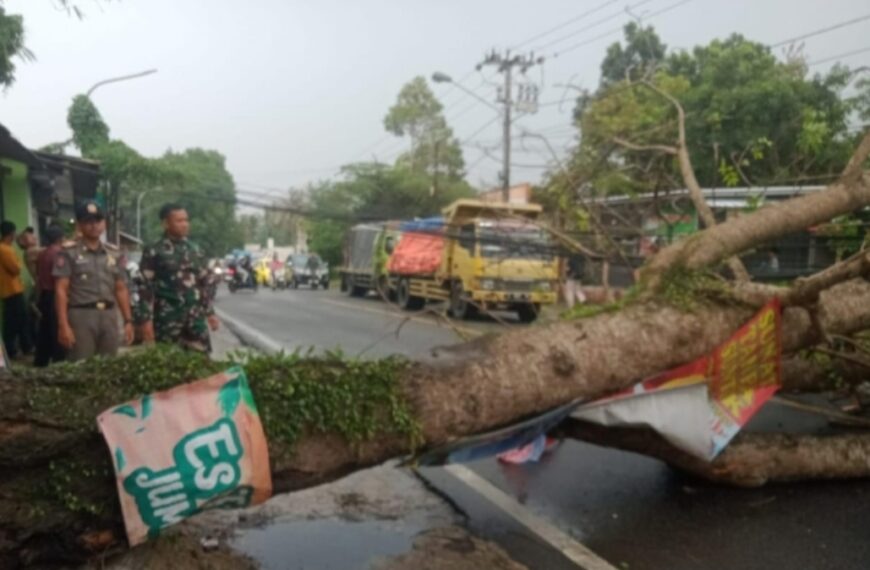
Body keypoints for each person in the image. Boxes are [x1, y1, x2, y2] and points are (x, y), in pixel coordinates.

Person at [54, 201, 134, 361]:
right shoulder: (68, 253)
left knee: (109, 365)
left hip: (109, 315)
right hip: (81, 316)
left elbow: (120, 288)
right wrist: (63, 325)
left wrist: (128, 321)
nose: (94, 225)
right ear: (79, 225)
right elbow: (61, 290)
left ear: (104, 223)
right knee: (81, 364)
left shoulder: (114, 253)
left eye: (98, 220)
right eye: (88, 221)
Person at [138, 203, 219, 353]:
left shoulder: (195, 250)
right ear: (165, 223)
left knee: (201, 362)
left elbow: (204, 284)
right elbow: (145, 287)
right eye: (179, 221)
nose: (185, 224)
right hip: (167, 320)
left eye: (186, 220)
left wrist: (210, 313)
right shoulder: (154, 251)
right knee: (167, 362)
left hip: (195, 320)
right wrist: (145, 320)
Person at [34, 225, 66, 367]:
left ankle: (41, 361)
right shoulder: (59, 254)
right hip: (54, 293)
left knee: (45, 329)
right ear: (60, 238)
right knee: (57, 328)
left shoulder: (42, 253)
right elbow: (59, 278)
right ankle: (59, 361)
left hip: (44, 294)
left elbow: (38, 274)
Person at [0, 221, 32, 358]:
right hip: (12, 290)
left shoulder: (6, 248)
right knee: (16, 321)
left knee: (16, 320)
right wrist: (19, 262)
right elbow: (16, 269)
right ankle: (13, 349)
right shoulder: (5, 250)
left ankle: (22, 347)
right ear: (11, 233)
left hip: (10, 290)